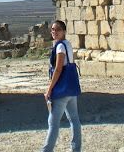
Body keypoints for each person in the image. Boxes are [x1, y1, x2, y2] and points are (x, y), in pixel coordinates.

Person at [42, 20, 82, 152]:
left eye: (57, 29)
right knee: (74, 119)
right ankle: (76, 149)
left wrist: (49, 89)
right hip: (71, 88)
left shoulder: (59, 47)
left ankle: (46, 150)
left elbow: (58, 69)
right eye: (53, 29)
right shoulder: (67, 44)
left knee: (53, 123)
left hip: (61, 90)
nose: (54, 32)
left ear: (64, 31)